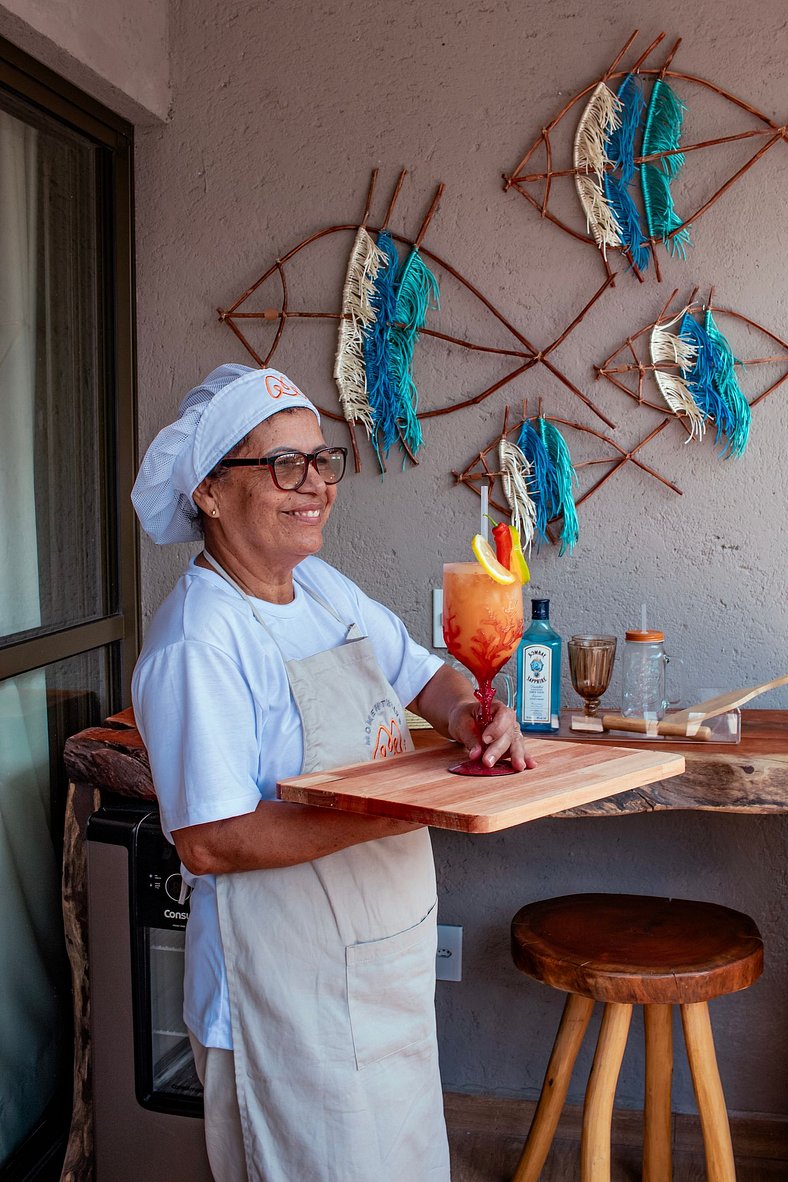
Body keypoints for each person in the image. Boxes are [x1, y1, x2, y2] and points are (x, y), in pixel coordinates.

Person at [130, 363, 531, 1182]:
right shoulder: (197, 643)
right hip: (284, 1004)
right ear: (209, 492)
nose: (315, 484)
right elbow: (210, 840)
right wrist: (404, 807)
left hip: (382, 976)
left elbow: (424, 672)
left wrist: (468, 712)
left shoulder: (318, 587)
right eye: (284, 464)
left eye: (321, 461)